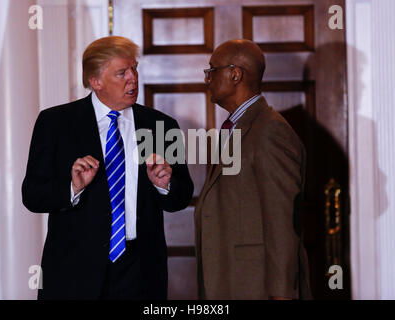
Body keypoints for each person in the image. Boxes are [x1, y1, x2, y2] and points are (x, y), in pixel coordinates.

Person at [22, 36, 193, 300]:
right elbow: (33, 195)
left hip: (140, 271)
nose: (133, 79)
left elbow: (181, 196)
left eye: (134, 69)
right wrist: (73, 187)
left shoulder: (161, 125)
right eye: (122, 72)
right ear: (96, 81)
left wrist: (165, 185)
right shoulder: (56, 123)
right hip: (74, 271)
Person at [194, 39, 311, 299]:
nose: (207, 79)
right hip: (230, 282)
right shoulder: (234, 127)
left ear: (235, 74)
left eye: (212, 70)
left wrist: (282, 295)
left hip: (256, 288)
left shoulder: (270, 131)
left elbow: (281, 223)